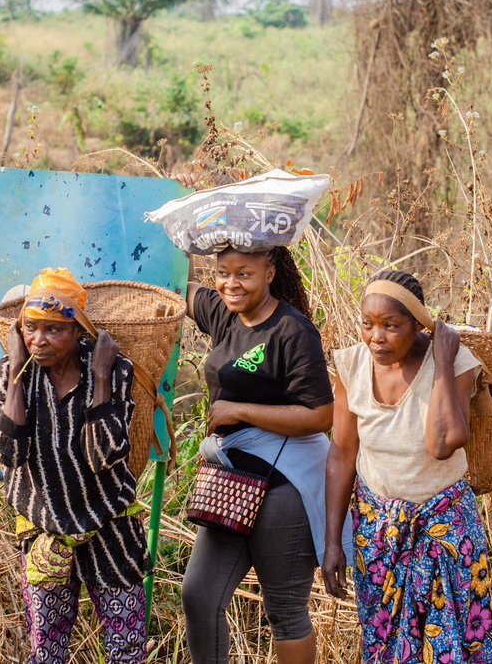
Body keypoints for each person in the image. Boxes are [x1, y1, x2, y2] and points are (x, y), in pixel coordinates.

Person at [179, 240, 344, 664]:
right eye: (223, 272)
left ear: (269, 274)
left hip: (283, 483)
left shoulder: (293, 330)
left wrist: (241, 410)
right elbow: (174, 284)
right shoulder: (223, 312)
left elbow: (321, 414)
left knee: (284, 612)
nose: (231, 284)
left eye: (244, 274)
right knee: (199, 595)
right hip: (233, 479)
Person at [323, 271, 492, 663]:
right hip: (379, 534)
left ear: (419, 324)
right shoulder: (351, 366)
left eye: (391, 326)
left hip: (446, 532)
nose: (376, 337)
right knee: (384, 646)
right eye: (367, 324)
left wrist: (443, 362)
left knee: (451, 647)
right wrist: (333, 540)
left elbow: (442, 443)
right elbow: (342, 453)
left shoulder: (457, 362)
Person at [0, 268, 147, 664]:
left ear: (78, 331)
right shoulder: (12, 372)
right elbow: (9, 452)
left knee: (126, 649)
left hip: (110, 528)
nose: (39, 340)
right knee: (47, 650)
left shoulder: (115, 370)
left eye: (54, 330)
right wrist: (20, 374)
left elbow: (102, 454)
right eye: (31, 328)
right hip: (44, 529)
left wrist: (102, 377)